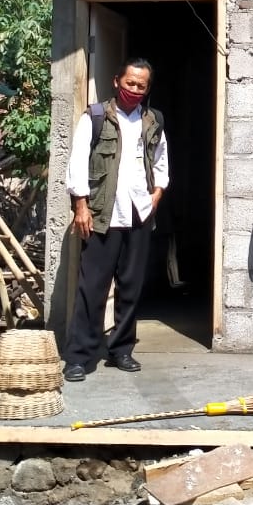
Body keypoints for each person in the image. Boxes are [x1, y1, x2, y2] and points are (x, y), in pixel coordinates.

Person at [62, 58, 168, 381]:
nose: (134, 90)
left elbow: (162, 162)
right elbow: (77, 163)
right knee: (92, 287)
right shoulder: (95, 117)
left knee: (131, 287)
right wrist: (81, 206)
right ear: (116, 81)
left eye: (141, 85)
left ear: (147, 88)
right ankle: (79, 356)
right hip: (102, 215)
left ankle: (121, 349)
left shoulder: (153, 121)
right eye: (130, 83)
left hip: (138, 214)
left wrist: (156, 196)